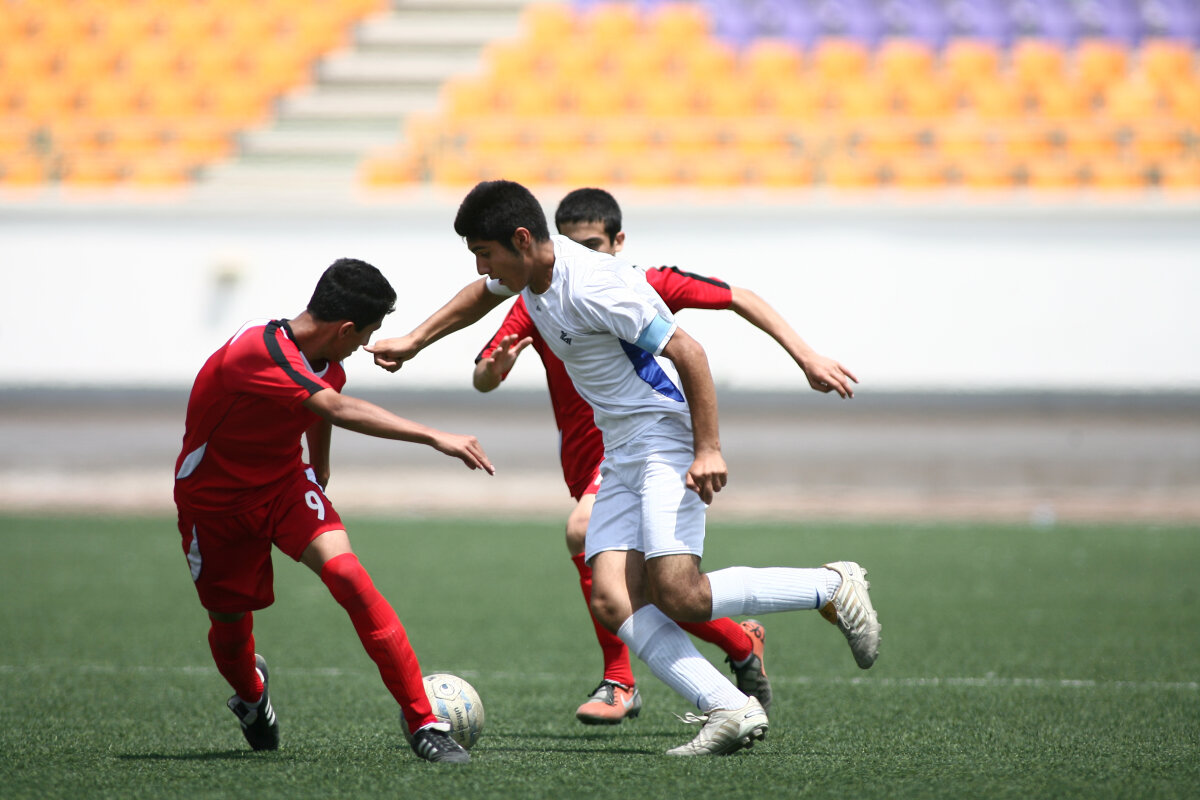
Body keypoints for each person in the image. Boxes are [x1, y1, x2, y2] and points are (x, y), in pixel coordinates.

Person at [368, 181, 881, 757]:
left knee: (680, 594)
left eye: (485, 253)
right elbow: (478, 296)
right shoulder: (531, 274)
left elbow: (689, 352)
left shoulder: (598, 285)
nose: (483, 268)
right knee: (613, 598)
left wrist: (708, 449)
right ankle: (728, 707)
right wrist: (414, 341)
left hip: (663, 437)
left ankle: (830, 586)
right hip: (621, 450)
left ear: (522, 239)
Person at [174, 258, 494, 764]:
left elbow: (319, 401)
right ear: (346, 328)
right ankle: (252, 695)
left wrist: (318, 466)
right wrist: (435, 435)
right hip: (215, 503)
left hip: (284, 486)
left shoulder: (327, 362)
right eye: (368, 333)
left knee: (348, 575)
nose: (367, 343)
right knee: (231, 628)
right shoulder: (257, 349)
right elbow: (333, 407)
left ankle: (424, 723)